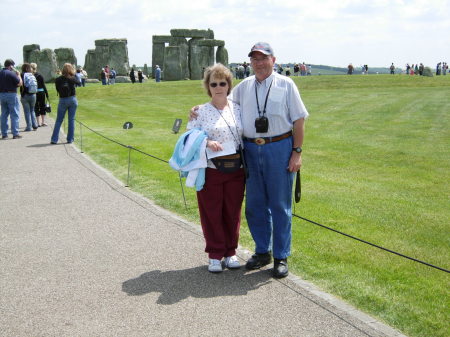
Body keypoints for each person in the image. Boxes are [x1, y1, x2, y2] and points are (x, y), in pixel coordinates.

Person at [191, 42, 309, 278]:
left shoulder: (286, 84)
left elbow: (299, 120)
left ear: (273, 60)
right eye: (254, 59)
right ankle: (262, 251)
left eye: (263, 58)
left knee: (280, 205)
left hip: (280, 147)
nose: (259, 63)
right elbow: (220, 100)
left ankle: (280, 256)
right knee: (255, 205)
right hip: (251, 150)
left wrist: (297, 151)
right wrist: (197, 110)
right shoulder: (244, 87)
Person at [183, 63, 245, 273]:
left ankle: (230, 251)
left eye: (222, 83)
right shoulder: (200, 111)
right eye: (214, 83)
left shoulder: (238, 108)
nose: (218, 87)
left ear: (229, 85)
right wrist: (207, 142)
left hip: (236, 169)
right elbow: (189, 137)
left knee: (232, 212)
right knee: (212, 212)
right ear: (208, 87)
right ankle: (215, 254)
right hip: (211, 169)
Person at [50, 63, 81, 144]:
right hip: (72, 99)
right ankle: (70, 139)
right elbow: (79, 82)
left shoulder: (58, 79)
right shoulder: (72, 78)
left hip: (63, 99)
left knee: (59, 120)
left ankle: (54, 139)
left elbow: (57, 89)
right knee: (71, 120)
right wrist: (74, 74)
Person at [0, 59, 23, 139]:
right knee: (14, 114)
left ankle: (4, 134)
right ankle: (15, 133)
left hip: (2, 94)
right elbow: (20, 83)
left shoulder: (1, 72)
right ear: (11, 66)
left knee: (4, 114)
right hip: (11, 94)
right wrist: (19, 75)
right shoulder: (11, 73)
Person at [20, 63, 39, 132]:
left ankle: (29, 127)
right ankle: (35, 125)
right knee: (32, 110)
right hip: (33, 94)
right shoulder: (32, 75)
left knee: (27, 111)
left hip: (25, 95)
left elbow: (20, 84)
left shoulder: (22, 75)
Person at [30, 63, 49, 127]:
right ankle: (43, 122)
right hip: (41, 93)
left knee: (36, 107)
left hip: (34, 93)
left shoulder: (30, 76)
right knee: (42, 106)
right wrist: (47, 94)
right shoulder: (40, 75)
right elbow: (43, 86)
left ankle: (38, 123)